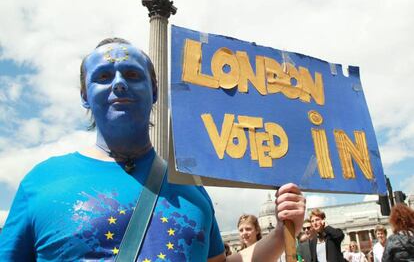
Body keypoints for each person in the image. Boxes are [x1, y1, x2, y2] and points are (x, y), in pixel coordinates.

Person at [0, 38, 306, 261]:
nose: (119, 84)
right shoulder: (41, 183)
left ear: (155, 90)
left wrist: (281, 234)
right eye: (103, 76)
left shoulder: (192, 190)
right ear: (84, 95)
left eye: (132, 75)